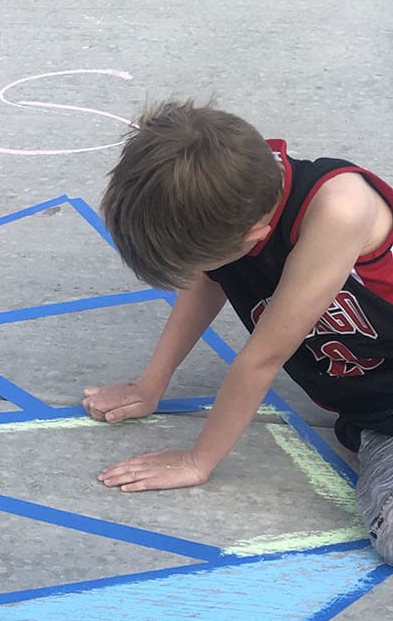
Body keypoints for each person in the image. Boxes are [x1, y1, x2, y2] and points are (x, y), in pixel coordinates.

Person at [83, 102, 393, 559]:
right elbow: (207, 280)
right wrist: (151, 383)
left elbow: (262, 359)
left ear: (253, 235)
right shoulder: (231, 191)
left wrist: (197, 460)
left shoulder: (339, 208)